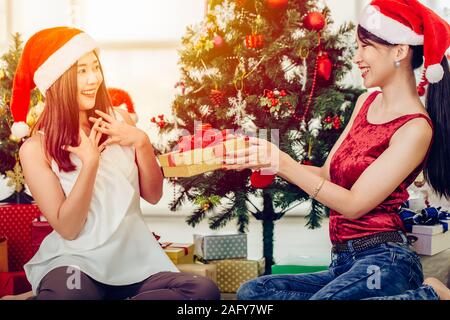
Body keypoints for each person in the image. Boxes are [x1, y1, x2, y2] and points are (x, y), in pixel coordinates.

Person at [223, 0, 450, 300]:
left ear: (399, 51)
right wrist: (265, 160)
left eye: (365, 46)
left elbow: (354, 204)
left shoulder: (416, 127)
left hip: (385, 261)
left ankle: (431, 295)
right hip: (342, 261)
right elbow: (326, 174)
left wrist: (284, 163)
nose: (357, 58)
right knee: (254, 291)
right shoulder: (364, 104)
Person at [8, 27, 220, 300]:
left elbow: (153, 195)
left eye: (95, 67)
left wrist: (142, 142)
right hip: (76, 263)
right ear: (56, 80)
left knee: (203, 292)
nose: (93, 78)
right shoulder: (35, 148)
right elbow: (69, 228)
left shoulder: (120, 120)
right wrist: (90, 163)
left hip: (134, 261)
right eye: (80, 71)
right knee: (70, 296)